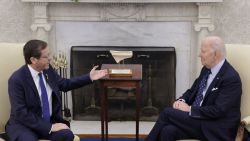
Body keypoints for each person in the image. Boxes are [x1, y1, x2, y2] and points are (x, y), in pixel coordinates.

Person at [5, 39, 108, 141]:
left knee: (67, 135)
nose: (50, 59)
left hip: (48, 122)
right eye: (46, 57)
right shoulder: (17, 80)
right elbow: (21, 113)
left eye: (49, 54)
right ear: (33, 60)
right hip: (24, 125)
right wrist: (50, 127)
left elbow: (64, 84)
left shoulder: (47, 69)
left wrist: (89, 77)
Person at [146, 36, 242, 141]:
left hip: (216, 127)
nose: (199, 55)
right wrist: (181, 101)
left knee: (167, 113)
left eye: (203, 51)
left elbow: (218, 111)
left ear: (215, 55)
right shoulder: (206, 69)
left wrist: (189, 109)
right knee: (168, 130)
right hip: (200, 121)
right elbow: (192, 91)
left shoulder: (231, 78)